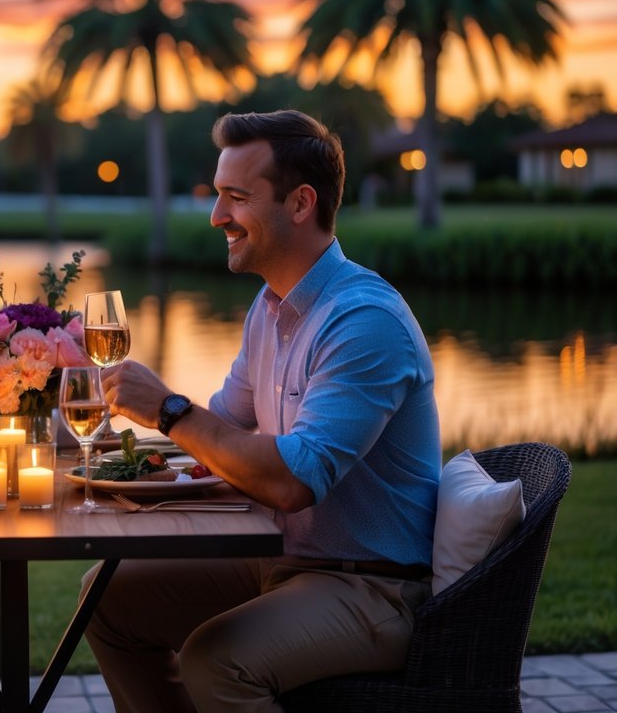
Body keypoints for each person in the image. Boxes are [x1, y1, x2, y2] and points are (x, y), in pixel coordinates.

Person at [91, 110, 441, 712]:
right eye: (217, 194)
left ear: (300, 202)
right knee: (107, 594)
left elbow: (291, 480)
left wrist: (169, 408)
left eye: (236, 197)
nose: (216, 215)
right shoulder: (272, 307)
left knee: (217, 659)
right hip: (282, 561)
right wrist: (93, 446)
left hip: (372, 585)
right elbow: (221, 425)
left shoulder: (364, 322)